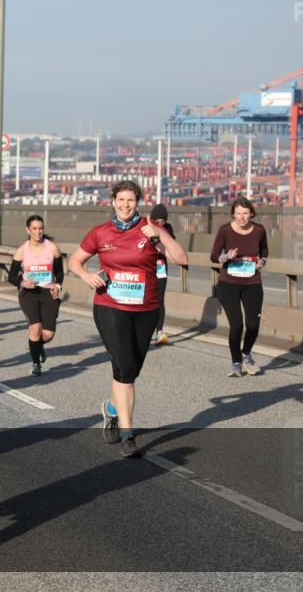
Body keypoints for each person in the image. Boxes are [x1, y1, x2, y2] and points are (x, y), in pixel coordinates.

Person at [68, 180, 188, 458]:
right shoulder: (100, 233)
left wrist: (160, 233)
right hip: (110, 305)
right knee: (123, 368)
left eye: (131, 201)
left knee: (131, 370)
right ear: (112, 202)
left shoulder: (150, 231)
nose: (125, 205)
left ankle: (111, 408)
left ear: (138, 203)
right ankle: (127, 434)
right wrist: (87, 276)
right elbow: (75, 261)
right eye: (120, 200)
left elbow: (181, 259)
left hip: (146, 309)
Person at [211, 197, 268, 377]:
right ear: (233, 215)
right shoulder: (225, 231)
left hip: (252, 283)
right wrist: (227, 256)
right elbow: (214, 256)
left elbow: (264, 250)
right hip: (229, 284)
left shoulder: (259, 230)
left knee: (253, 326)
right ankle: (236, 362)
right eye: (238, 214)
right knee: (236, 326)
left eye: (245, 213)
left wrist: (262, 261)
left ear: (251, 213)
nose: (242, 217)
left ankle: (246, 355)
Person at [7, 215, 64, 376]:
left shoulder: (52, 248)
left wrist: (58, 286)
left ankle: (39, 346)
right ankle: (36, 363)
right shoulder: (22, 250)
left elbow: (59, 272)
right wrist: (23, 283)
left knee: (47, 335)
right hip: (29, 293)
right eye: (34, 229)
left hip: (47, 292)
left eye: (40, 228)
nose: (38, 232)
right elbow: (11, 276)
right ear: (28, 230)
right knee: (35, 328)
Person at [149, 204, 176, 346]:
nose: (160, 223)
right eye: (157, 221)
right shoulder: (146, 227)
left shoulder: (168, 228)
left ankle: (159, 331)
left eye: (162, 221)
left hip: (160, 267)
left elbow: (172, 245)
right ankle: (146, 329)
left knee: (159, 299)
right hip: (146, 267)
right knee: (146, 298)